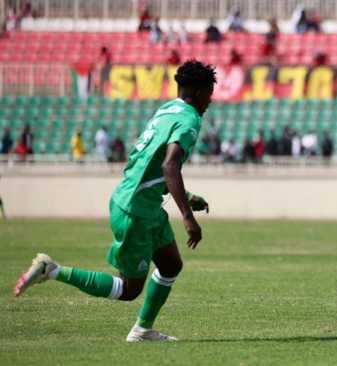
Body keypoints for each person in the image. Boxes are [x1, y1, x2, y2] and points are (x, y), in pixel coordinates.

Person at [14, 60, 217, 342]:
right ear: (197, 91)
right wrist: (187, 216)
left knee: (171, 265)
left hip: (140, 203)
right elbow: (169, 166)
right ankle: (52, 270)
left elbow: (149, 162)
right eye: (209, 91)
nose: (211, 98)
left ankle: (143, 329)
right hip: (137, 211)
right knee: (129, 289)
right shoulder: (190, 118)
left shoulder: (167, 110)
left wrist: (188, 196)